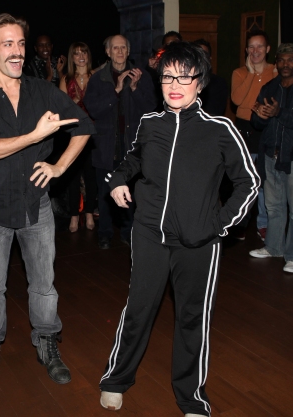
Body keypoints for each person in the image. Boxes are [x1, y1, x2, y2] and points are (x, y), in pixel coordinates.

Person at [98, 41, 259, 416]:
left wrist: (218, 225)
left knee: (192, 318)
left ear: (200, 82)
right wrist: (118, 179)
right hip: (150, 233)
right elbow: (133, 157)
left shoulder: (220, 129)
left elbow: (248, 183)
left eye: (185, 76)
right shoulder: (150, 124)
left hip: (198, 242)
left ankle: (191, 398)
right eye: (168, 75)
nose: (175, 83)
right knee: (139, 309)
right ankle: (116, 379)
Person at [0, 13, 94, 395]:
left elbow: (84, 126)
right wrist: (34, 135)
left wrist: (59, 166)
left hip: (36, 207)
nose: (17, 52)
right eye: (7, 44)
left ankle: (47, 343)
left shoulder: (43, 90)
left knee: (45, 286)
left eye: (20, 44)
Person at [83, 34, 156, 249]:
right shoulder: (98, 78)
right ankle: (104, 234)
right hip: (106, 147)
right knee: (105, 194)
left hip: (132, 147)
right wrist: (115, 91)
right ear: (107, 52)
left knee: (131, 194)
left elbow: (151, 109)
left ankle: (128, 233)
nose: (120, 51)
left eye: (123, 47)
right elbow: (93, 109)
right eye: (115, 48)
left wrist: (134, 88)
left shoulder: (141, 76)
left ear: (128, 50)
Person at [249, 43, 293, 273]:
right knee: (274, 206)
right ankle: (274, 247)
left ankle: (292, 255)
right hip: (270, 154)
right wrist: (261, 116)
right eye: (282, 60)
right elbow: (257, 123)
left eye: (290, 60)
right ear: (276, 62)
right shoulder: (270, 87)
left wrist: (279, 113)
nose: (285, 64)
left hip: (291, 156)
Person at [231, 30, 276, 241]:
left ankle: (264, 225)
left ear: (267, 49)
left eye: (260, 46)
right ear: (246, 49)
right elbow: (238, 101)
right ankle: (240, 223)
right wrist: (250, 73)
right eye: (251, 46)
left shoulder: (276, 73)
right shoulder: (239, 73)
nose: (255, 51)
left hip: (267, 130)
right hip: (244, 130)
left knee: (265, 181)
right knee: (245, 180)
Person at [59, 41, 97, 232]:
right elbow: (61, 108)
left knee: (91, 175)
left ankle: (89, 212)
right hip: (73, 132)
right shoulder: (66, 78)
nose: (81, 56)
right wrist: (73, 103)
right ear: (72, 57)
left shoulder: (96, 76)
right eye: (77, 53)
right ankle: (74, 215)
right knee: (73, 176)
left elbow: (101, 102)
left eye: (84, 52)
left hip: (92, 131)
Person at [192, 39, 228, 116]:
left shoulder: (219, 83)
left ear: (209, 58)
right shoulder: (184, 81)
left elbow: (215, 112)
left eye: (204, 54)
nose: (201, 58)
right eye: (198, 54)